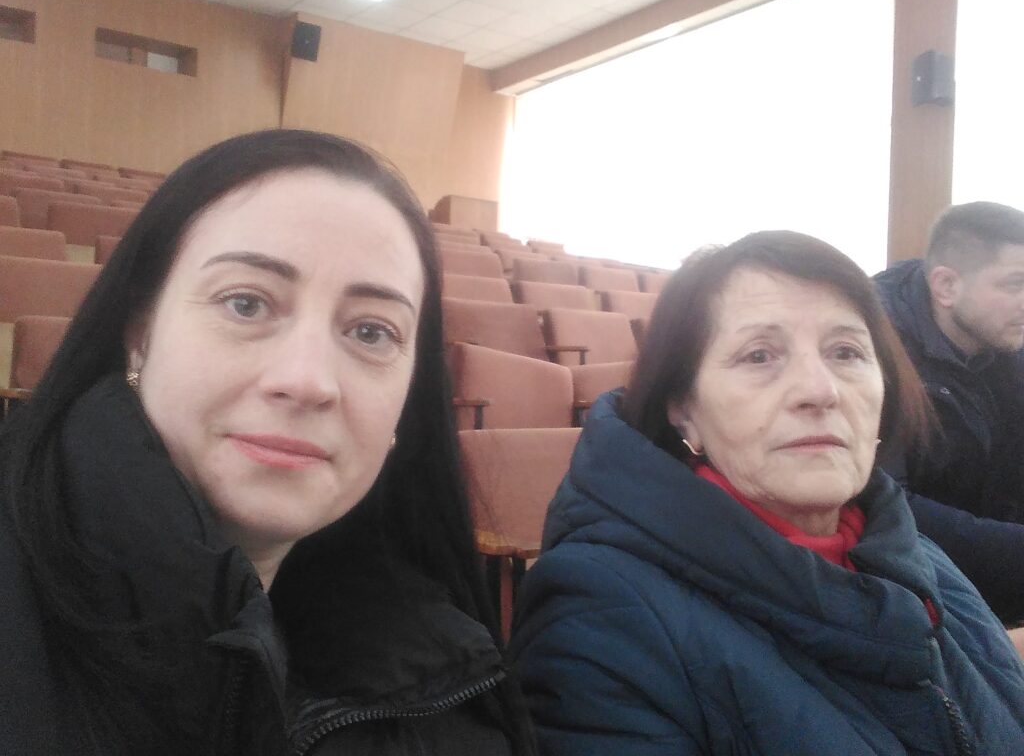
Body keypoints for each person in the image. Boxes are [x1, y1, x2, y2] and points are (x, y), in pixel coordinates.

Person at [0, 130, 534, 755]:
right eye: (246, 304)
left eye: (371, 332)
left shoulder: (450, 688)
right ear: (139, 333)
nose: (307, 381)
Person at [509, 231, 1024, 755]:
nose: (820, 391)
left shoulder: (916, 555)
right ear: (683, 408)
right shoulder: (604, 615)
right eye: (759, 356)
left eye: (846, 352)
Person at [874, 201, 1024, 624]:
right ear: (946, 286)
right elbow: (885, 507)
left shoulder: (1003, 344)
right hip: (915, 599)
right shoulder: (873, 357)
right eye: (1015, 284)